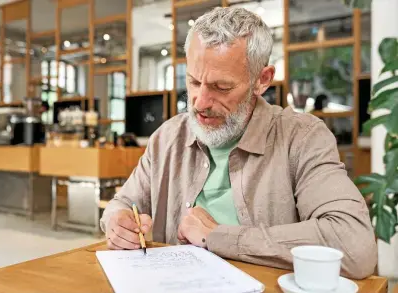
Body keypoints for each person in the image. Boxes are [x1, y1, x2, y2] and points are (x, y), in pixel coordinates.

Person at [100, 6, 377, 279]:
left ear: (262, 80)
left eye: (222, 87)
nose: (200, 103)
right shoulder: (167, 138)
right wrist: (116, 222)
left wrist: (217, 237)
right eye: (194, 82)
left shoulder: (302, 138)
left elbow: (354, 245)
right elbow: (122, 203)